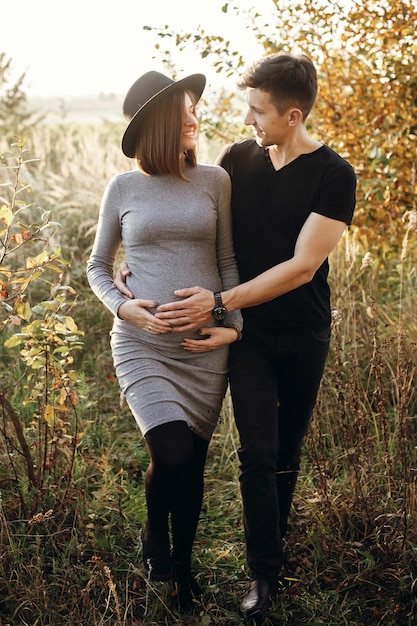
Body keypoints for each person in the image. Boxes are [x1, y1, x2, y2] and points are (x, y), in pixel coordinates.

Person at [115, 53, 356, 623]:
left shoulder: (334, 174)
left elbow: (302, 267)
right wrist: (134, 270)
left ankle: (269, 566)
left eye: (257, 111)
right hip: (243, 338)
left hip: (302, 333)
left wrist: (223, 302)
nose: (247, 120)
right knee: (256, 454)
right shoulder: (236, 162)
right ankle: (262, 577)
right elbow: (201, 235)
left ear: (292, 115)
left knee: (284, 456)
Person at [86, 70, 242, 613]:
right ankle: (157, 531)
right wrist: (124, 306)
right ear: (158, 124)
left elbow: (227, 263)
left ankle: (183, 567)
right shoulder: (122, 189)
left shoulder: (216, 181)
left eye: (195, 108)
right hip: (141, 345)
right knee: (170, 452)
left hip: (204, 348)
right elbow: (98, 266)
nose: (195, 118)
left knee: (191, 465)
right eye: (184, 113)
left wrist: (234, 324)